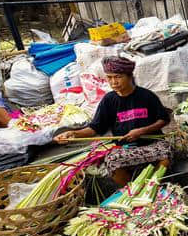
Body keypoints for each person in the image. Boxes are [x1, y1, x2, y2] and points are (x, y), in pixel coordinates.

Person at [54, 56, 172, 186]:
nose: (113, 82)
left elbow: (164, 119)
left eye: (118, 77)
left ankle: (152, 186)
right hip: (125, 148)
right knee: (112, 161)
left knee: (166, 153)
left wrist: (141, 131)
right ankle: (132, 191)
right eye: (109, 78)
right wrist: (73, 134)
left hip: (151, 142)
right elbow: (95, 128)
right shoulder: (108, 100)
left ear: (129, 76)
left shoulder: (146, 96)